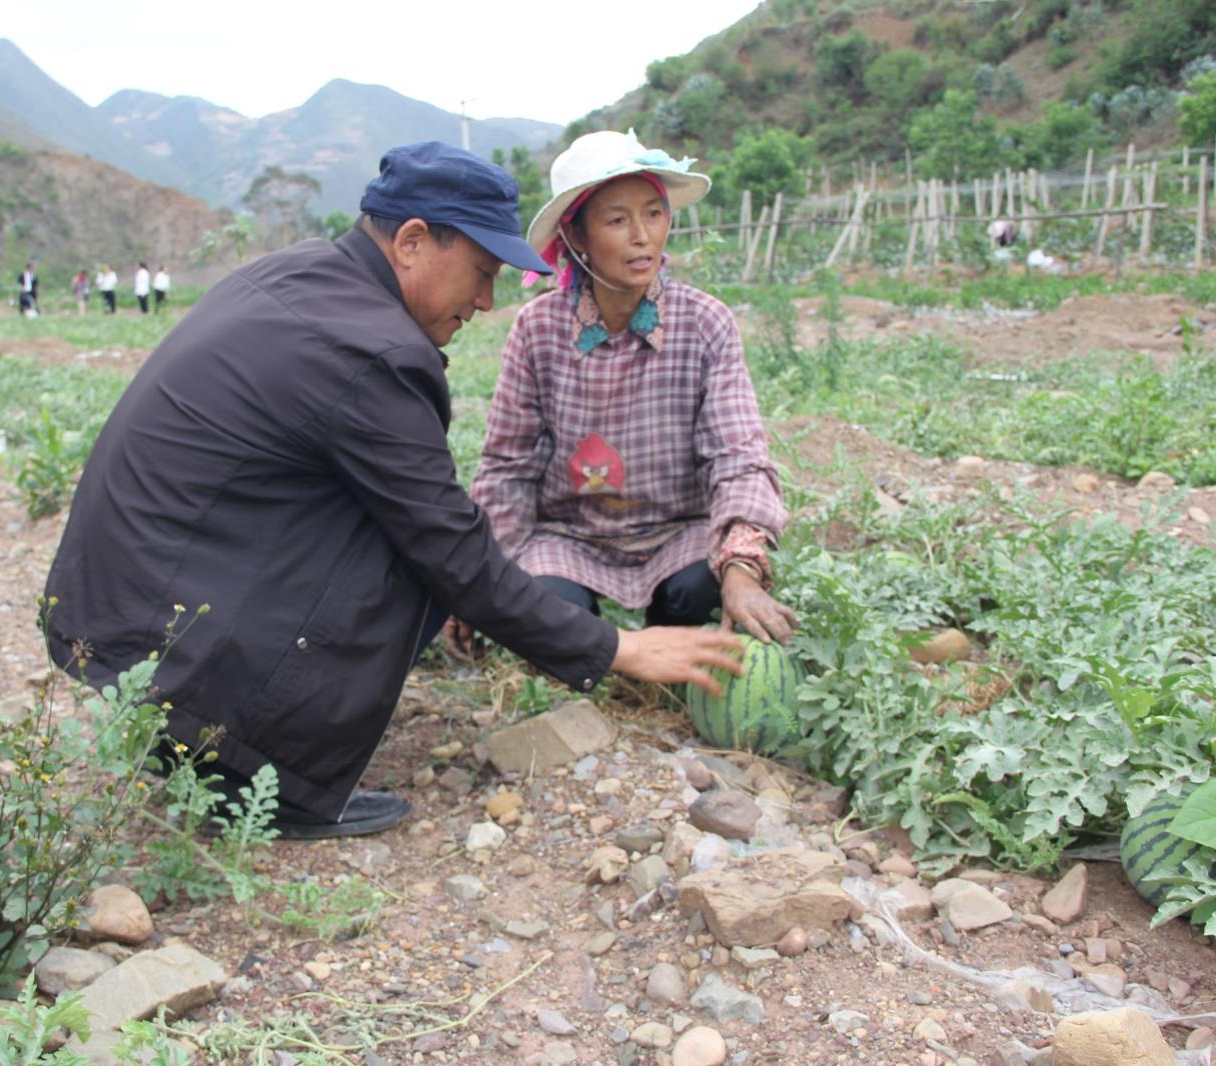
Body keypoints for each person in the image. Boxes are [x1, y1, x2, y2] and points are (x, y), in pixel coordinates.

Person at [43, 142, 745, 840]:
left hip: (111, 616)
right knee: (416, 554)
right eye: (479, 272)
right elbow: (452, 546)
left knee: (408, 528)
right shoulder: (374, 351)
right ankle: (258, 773)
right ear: (412, 241)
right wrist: (618, 650)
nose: (483, 300)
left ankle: (202, 722)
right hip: (162, 634)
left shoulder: (300, 274)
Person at [453, 130, 797, 658]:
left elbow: (738, 455)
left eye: (653, 214)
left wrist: (742, 567)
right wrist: (481, 582)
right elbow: (508, 469)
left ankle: (670, 627)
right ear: (577, 238)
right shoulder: (537, 329)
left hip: (677, 533)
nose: (642, 236)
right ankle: (601, 644)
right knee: (544, 605)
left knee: (699, 591)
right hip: (569, 538)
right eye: (617, 220)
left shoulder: (705, 323)